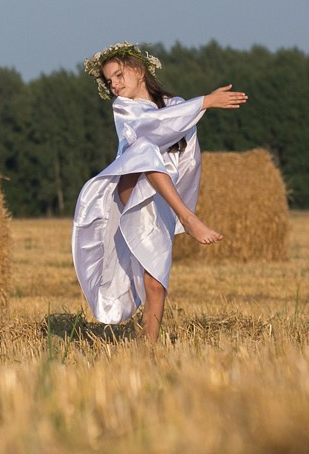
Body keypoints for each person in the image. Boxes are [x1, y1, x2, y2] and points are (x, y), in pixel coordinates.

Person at [72, 42, 247, 344]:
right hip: (135, 191)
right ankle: (189, 218)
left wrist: (196, 107)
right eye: (108, 81)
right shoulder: (124, 109)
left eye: (117, 75)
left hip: (163, 197)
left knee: (155, 280)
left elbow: (187, 150)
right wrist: (204, 101)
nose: (113, 85)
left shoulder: (175, 104)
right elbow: (154, 127)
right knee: (145, 149)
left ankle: (148, 346)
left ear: (138, 70)